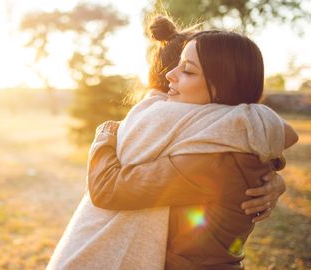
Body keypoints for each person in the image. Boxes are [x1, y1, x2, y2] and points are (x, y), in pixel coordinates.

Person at [47, 17, 295, 270]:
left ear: (222, 86)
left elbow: (108, 190)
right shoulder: (227, 138)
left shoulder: (215, 161)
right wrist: (276, 174)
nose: (170, 76)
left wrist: (104, 135)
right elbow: (271, 132)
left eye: (187, 70)